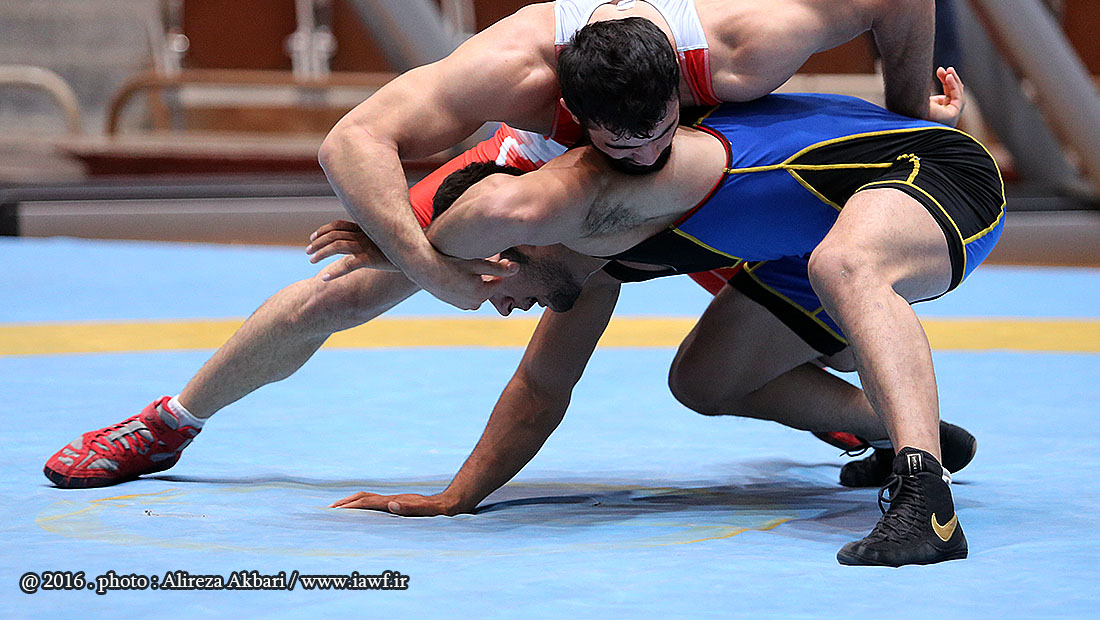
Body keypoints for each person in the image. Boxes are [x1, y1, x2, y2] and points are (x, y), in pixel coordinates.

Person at [44, 0, 949, 492]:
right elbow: (352, 141)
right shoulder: (517, 68)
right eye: (616, 142)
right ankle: (170, 422)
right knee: (348, 288)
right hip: (555, 173)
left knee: (831, 330)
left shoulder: (744, 50)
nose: (635, 154)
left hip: (710, 173)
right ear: (570, 109)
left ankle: (859, 416)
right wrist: (426, 262)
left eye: (651, 133)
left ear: (682, 93)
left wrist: (913, 114)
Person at [314, 72, 1001, 568]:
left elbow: (503, 201)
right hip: (817, 231)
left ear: (512, 238)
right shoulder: (591, 264)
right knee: (705, 380)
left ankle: (926, 502)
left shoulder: (611, 191)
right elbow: (541, 388)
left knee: (846, 265)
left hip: (931, 174)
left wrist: (403, 244)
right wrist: (456, 498)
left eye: (488, 277)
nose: (496, 301)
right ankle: (907, 429)